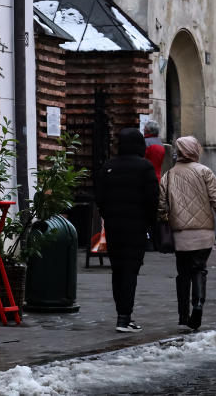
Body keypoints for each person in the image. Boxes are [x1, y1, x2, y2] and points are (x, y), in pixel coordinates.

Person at [158, 136, 216, 331]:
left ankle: (183, 315)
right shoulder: (205, 171)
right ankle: (198, 304)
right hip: (204, 233)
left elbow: (161, 205)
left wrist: (162, 221)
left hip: (180, 234)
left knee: (183, 273)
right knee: (199, 269)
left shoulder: (170, 174)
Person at [95, 128, 160, 333]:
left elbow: (100, 197)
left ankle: (120, 314)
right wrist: (149, 222)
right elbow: (152, 199)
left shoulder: (108, 166)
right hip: (136, 227)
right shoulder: (144, 167)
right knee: (131, 270)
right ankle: (125, 317)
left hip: (114, 226)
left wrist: (108, 215)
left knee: (118, 270)